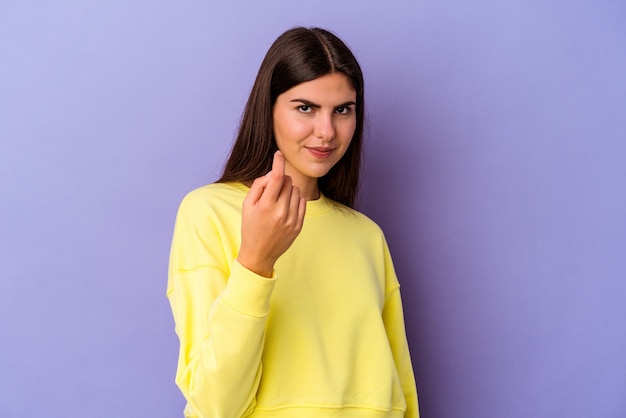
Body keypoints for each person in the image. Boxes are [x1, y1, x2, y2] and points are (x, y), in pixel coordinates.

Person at [167, 27, 419, 418]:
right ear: (268, 109)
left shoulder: (366, 235)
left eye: (343, 110)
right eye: (305, 108)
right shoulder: (209, 212)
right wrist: (256, 262)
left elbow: (400, 391)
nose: (327, 132)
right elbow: (217, 405)